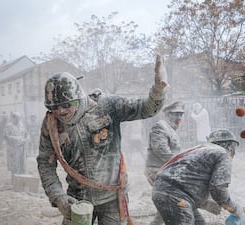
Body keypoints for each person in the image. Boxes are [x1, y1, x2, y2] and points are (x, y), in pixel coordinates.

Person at [37, 55, 168, 225]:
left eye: (66, 104)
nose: (60, 111)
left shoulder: (106, 105)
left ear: (78, 96)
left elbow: (145, 109)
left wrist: (158, 90)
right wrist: (59, 197)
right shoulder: (51, 125)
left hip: (112, 199)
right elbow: (45, 164)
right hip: (77, 201)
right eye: (54, 107)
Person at [152, 129, 243, 225]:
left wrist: (205, 202)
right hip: (177, 196)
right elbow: (218, 188)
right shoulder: (222, 153)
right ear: (230, 145)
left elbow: (188, 179)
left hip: (165, 191)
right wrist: (233, 208)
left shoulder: (199, 150)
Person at [144, 101, 185, 225]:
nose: (179, 118)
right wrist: (182, 163)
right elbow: (162, 152)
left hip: (166, 170)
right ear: (167, 115)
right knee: (172, 199)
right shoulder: (160, 127)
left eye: (180, 114)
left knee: (169, 201)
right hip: (157, 170)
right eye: (175, 114)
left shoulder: (170, 129)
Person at [4, 112, 28, 181]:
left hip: (21, 148)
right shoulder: (9, 126)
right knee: (14, 165)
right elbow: (6, 136)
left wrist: (26, 139)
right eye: (16, 118)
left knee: (21, 163)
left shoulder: (21, 125)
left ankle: (20, 179)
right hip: (13, 149)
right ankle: (14, 179)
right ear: (13, 118)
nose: (18, 120)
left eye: (19, 118)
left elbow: (26, 134)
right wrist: (17, 139)